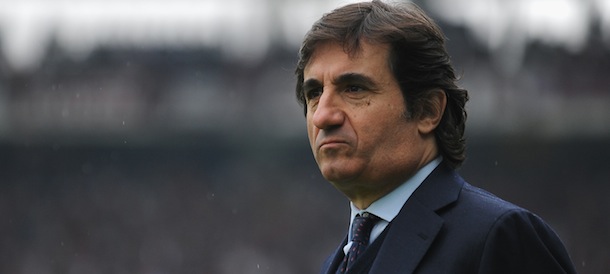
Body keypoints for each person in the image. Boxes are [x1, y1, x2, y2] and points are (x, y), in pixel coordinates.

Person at [294, 1, 576, 273]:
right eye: (314, 93)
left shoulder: (500, 237)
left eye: (354, 88)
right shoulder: (337, 261)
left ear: (427, 111)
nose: (322, 116)